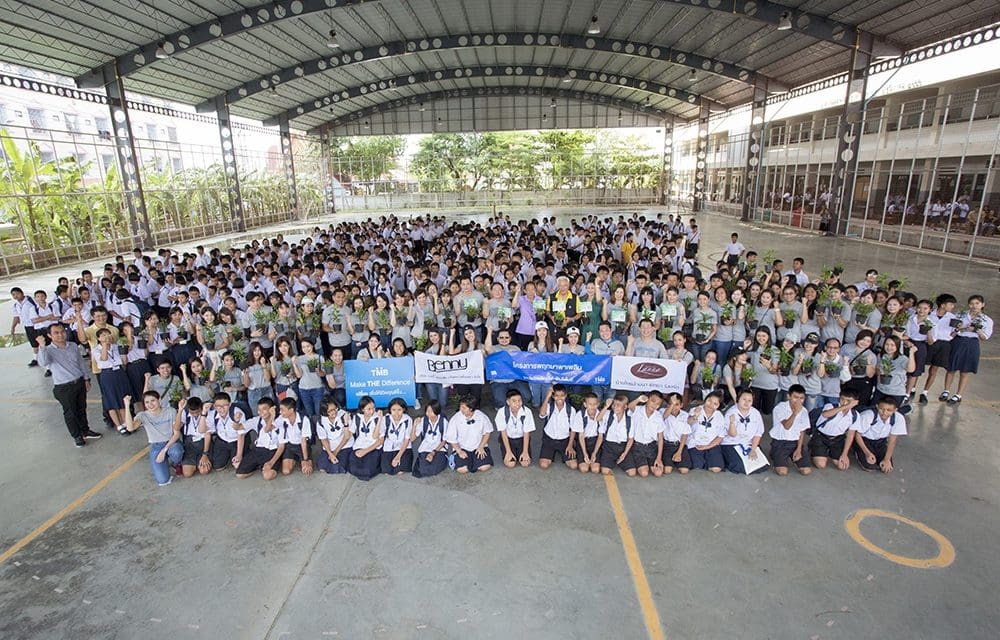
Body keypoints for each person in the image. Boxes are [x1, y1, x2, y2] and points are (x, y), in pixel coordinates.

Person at [36, 324, 100, 447]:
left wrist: (86, 378)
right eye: (56, 333)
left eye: (62, 332)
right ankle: (77, 436)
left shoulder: (73, 346)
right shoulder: (48, 350)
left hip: (79, 382)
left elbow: (81, 363)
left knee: (81, 409)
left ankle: (85, 430)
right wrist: (42, 346)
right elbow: (43, 362)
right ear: (49, 335)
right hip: (63, 387)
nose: (60, 335)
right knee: (70, 413)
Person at [123, 391, 182, 486]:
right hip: (156, 446)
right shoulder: (143, 415)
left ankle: (176, 463)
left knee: (176, 452)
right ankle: (165, 461)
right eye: (147, 402)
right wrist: (127, 406)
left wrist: (164, 450)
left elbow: (176, 434)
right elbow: (130, 428)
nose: (150, 404)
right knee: (162, 480)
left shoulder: (170, 411)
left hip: (172, 442)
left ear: (159, 400)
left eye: (153, 401)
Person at [942, 294, 992, 405]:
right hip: (958, 341)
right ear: (968, 305)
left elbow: (985, 337)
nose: (974, 306)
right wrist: (963, 328)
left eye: (977, 303)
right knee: (951, 368)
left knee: (965, 371)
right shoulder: (960, 315)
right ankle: (946, 390)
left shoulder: (986, 320)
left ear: (982, 305)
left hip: (972, 344)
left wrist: (976, 330)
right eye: (972, 303)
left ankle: (958, 394)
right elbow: (952, 330)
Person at [854, 396, 907, 473]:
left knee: (886, 467)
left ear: (895, 410)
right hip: (864, 440)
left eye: (889, 410)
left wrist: (887, 459)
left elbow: (892, 440)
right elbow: (857, 434)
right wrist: (867, 453)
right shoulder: (868, 415)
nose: (884, 413)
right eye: (882, 409)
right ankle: (856, 449)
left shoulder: (898, 418)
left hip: (881, 442)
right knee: (869, 466)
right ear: (877, 406)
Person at [809, 390, 859, 471]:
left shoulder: (855, 415)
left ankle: (828, 452)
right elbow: (825, 414)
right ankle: (814, 448)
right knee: (821, 465)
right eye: (842, 399)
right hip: (821, 436)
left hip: (837, 439)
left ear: (855, 402)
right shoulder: (831, 406)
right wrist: (845, 407)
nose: (845, 402)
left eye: (849, 401)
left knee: (842, 466)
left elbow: (850, 435)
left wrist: (845, 454)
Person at [236, 397, 285, 480]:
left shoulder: (280, 420)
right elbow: (239, 427)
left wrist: (271, 462)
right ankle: (259, 466)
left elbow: (267, 429)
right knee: (240, 475)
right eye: (259, 410)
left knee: (268, 476)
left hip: (273, 451)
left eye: (264, 409)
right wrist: (236, 421)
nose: (260, 412)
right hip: (258, 450)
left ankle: (268, 465)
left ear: (272, 409)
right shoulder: (257, 420)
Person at [769, 384, 812, 476]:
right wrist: (795, 413)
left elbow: (802, 431)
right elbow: (787, 426)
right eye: (795, 397)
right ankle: (775, 452)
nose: (798, 401)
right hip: (780, 442)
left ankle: (790, 457)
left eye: (801, 398)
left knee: (806, 471)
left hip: (795, 442)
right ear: (789, 396)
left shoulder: (804, 411)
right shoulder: (779, 408)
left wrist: (799, 449)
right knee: (782, 472)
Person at [720, 389, 767, 474]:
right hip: (731, 443)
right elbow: (732, 434)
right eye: (744, 399)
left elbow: (758, 433)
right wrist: (732, 423)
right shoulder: (731, 412)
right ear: (738, 399)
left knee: (760, 464)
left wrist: (753, 449)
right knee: (738, 465)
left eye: (749, 400)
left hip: (748, 442)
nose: (746, 403)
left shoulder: (755, 413)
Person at [445, 395, 494, 474]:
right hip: (462, 447)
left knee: (485, 467)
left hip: (478, 446)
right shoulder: (455, 418)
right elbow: (451, 438)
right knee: (462, 470)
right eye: (460, 406)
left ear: (471, 409)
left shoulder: (481, 416)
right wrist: (459, 451)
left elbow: (487, 432)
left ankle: (475, 461)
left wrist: (481, 447)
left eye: (464, 408)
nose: (461, 409)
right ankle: (470, 461)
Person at [537, 384, 578, 470]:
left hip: (565, 440)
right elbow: (541, 414)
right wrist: (547, 396)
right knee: (543, 465)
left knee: (573, 465)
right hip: (549, 439)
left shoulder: (571, 410)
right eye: (556, 396)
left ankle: (561, 451)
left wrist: (570, 445)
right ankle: (552, 452)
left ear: (566, 395)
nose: (559, 398)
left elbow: (573, 430)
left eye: (562, 396)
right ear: (553, 396)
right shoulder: (549, 406)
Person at [204, 392, 248, 471]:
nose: (221, 409)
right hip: (222, 440)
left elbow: (241, 435)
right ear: (214, 406)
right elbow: (206, 431)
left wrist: (239, 455)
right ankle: (227, 456)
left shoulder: (237, 413)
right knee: (218, 467)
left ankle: (242, 453)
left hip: (236, 441)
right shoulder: (212, 414)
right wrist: (203, 413)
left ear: (230, 404)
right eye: (218, 406)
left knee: (238, 466)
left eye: (225, 405)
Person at [685, 393, 726, 473]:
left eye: (715, 404)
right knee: (697, 466)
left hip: (711, 445)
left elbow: (720, 436)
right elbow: (687, 423)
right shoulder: (696, 409)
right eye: (709, 401)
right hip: (695, 444)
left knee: (716, 469)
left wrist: (708, 446)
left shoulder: (719, 415)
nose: (710, 405)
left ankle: (709, 460)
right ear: (705, 400)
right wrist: (695, 416)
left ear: (718, 406)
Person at [495, 388, 536, 468]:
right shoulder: (501, 412)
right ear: (508, 402)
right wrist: (508, 452)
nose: (517, 403)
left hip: (522, 439)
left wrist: (525, 452)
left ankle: (521, 452)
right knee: (510, 464)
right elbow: (503, 433)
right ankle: (509, 451)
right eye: (514, 401)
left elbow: (526, 433)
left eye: (519, 400)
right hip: (508, 439)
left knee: (525, 464)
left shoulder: (527, 411)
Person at [629, 391, 666, 478]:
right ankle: (643, 464)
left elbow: (660, 438)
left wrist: (659, 457)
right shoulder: (638, 410)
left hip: (651, 447)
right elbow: (630, 406)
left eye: (658, 404)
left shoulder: (658, 416)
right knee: (644, 473)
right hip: (638, 447)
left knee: (658, 473)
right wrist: (639, 399)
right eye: (653, 401)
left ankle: (650, 463)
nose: (654, 405)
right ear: (647, 399)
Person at [275, 396, 314, 476]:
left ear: (291, 410)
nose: (280, 412)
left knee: (307, 470)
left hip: (302, 445)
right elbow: (269, 428)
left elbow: (303, 441)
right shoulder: (281, 418)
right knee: (286, 471)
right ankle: (295, 459)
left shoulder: (304, 419)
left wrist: (305, 459)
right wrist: (272, 416)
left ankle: (302, 459)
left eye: (282, 410)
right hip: (290, 446)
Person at [316, 396, 353, 474]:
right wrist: (330, 453)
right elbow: (324, 439)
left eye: (335, 409)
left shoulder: (344, 415)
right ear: (324, 412)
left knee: (339, 468)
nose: (334, 412)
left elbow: (347, 437)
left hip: (344, 445)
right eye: (330, 411)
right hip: (330, 446)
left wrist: (335, 452)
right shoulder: (320, 421)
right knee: (322, 467)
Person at [349, 396, 384, 481]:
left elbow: (378, 439)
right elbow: (350, 434)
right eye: (369, 409)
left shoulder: (378, 418)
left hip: (373, 447)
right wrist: (346, 423)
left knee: (368, 471)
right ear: (362, 409)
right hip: (359, 445)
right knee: (353, 469)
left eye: (373, 408)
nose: (372, 411)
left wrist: (379, 420)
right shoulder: (357, 417)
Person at [412, 400, 449, 478]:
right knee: (423, 469)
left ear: (437, 411)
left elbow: (444, 440)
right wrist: (414, 426)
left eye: (431, 411)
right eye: (427, 411)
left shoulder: (443, 421)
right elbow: (412, 438)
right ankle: (422, 463)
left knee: (434, 469)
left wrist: (433, 452)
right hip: (425, 447)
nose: (429, 414)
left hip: (439, 448)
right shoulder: (423, 421)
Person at [571, 392, 606, 474]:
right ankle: (581, 455)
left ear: (598, 404)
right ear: (585, 404)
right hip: (583, 441)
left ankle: (594, 456)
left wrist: (594, 453)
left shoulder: (601, 415)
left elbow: (600, 437)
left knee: (595, 470)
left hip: (595, 441)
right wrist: (585, 453)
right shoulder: (580, 415)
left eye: (595, 404)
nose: (593, 406)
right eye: (590, 404)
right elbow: (581, 436)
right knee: (584, 469)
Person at [380, 397, 415, 475]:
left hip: (404, 446)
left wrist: (398, 456)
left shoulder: (408, 419)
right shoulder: (385, 419)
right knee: (387, 471)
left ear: (404, 410)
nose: (396, 413)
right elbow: (381, 436)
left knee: (401, 470)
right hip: (389, 446)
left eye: (399, 410)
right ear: (390, 410)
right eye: (393, 410)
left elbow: (407, 439)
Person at [660, 392, 692, 475]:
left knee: (684, 471)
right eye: (671, 404)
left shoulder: (685, 415)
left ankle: (676, 459)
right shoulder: (662, 411)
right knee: (667, 470)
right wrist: (672, 404)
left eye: (676, 404)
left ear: (681, 405)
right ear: (667, 405)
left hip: (679, 445)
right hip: (667, 445)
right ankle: (670, 463)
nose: (674, 407)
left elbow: (685, 435)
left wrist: (679, 452)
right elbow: (665, 416)